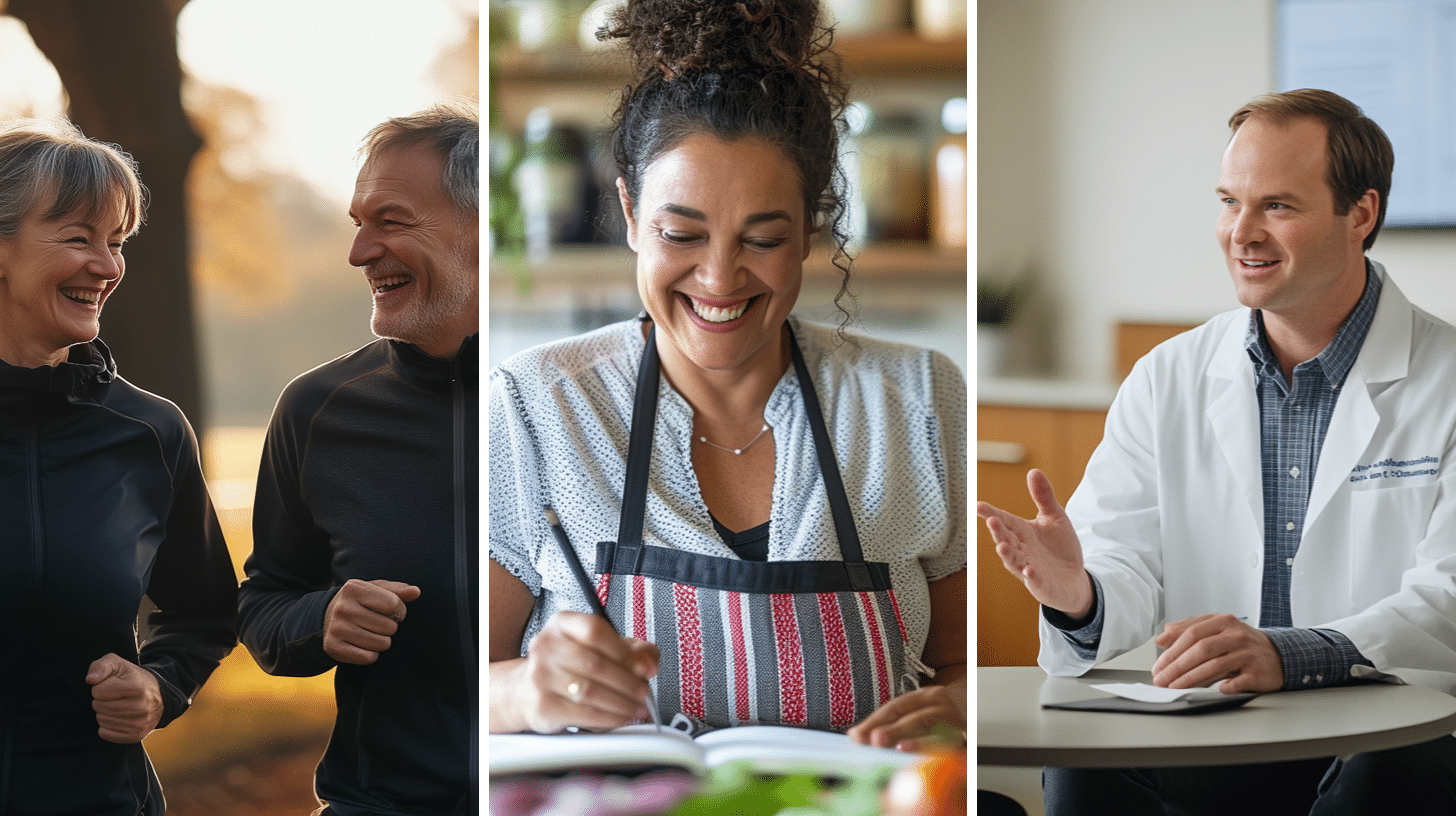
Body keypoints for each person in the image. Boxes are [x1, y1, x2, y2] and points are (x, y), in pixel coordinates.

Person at [489, 0, 967, 751]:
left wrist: (959, 713)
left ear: (811, 225)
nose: (718, 277)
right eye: (681, 233)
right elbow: (464, 683)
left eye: (764, 237)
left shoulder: (919, 402)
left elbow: (965, 670)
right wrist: (523, 689)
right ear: (627, 208)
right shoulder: (537, 404)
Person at [978, 88, 1456, 814]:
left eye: (1278, 206)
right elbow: (1125, 565)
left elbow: (1448, 601)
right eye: (1230, 202)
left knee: (1391, 770)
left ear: (1360, 214)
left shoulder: (1445, 378)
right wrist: (1080, 597)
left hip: (1395, 725)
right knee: (1086, 767)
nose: (1243, 232)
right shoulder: (1168, 376)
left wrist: (1290, 655)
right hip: (1216, 728)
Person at [236, 102, 479, 815]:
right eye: (357, 224)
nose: (359, 252)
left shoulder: (558, 404)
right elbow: (262, 603)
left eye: (392, 220)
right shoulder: (317, 411)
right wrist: (321, 619)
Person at [0, 118, 237, 815]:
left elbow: (203, 614)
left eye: (116, 242)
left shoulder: (150, 433)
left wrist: (158, 686)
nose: (106, 267)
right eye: (78, 237)